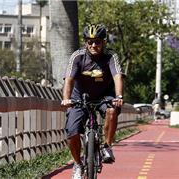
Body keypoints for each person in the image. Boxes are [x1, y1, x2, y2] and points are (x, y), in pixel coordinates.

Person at [61, 24, 124, 179]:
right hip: (79, 97)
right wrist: (66, 99)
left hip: (104, 96)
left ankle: (107, 147)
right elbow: (68, 80)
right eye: (90, 42)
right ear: (85, 43)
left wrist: (119, 97)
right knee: (72, 131)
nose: (94, 45)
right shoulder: (77, 56)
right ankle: (77, 163)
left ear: (104, 42)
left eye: (97, 41)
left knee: (111, 111)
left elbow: (117, 76)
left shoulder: (111, 56)